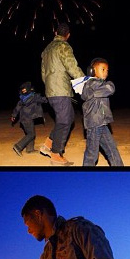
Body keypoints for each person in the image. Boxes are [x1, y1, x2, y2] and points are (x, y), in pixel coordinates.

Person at [40, 22, 84, 166]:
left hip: (51, 90)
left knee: (67, 118)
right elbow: (72, 66)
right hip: (60, 90)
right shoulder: (63, 46)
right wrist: (85, 81)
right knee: (65, 120)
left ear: (55, 32)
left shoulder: (46, 49)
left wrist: (49, 86)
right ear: (68, 35)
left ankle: (48, 144)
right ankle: (56, 153)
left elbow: (43, 73)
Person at [80, 58, 124, 166]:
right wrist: (110, 84)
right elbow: (110, 89)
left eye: (107, 70)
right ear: (92, 71)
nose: (106, 72)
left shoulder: (97, 84)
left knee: (112, 149)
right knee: (92, 154)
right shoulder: (92, 84)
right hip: (95, 123)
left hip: (101, 123)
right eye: (103, 69)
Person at [11, 81, 48, 156]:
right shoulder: (34, 96)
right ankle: (18, 146)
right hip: (28, 118)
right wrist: (51, 97)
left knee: (30, 133)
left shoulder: (22, 98)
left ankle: (30, 149)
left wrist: (13, 115)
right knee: (31, 134)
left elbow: (17, 107)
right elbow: (44, 100)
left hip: (23, 118)